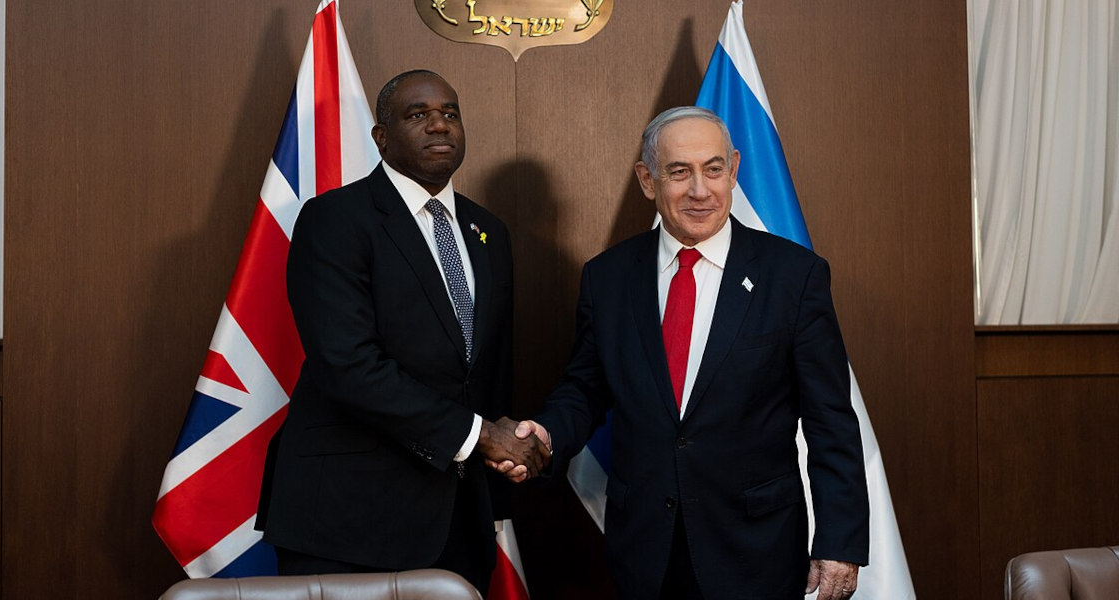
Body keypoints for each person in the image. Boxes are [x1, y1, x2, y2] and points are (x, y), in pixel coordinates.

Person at [496, 106, 869, 600]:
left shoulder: (794, 277)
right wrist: (546, 433)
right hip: (645, 549)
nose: (700, 190)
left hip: (756, 548)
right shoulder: (608, 277)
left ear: (734, 170)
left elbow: (831, 422)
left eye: (714, 169)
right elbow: (585, 388)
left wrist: (839, 542)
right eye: (679, 172)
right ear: (647, 180)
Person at [256, 70, 548, 595]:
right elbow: (348, 365)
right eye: (418, 115)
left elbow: (488, 372)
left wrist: (501, 473)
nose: (439, 125)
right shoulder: (334, 220)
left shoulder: (489, 232)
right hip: (347, 521)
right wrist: (481, 436)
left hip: (459, 521)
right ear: (381, 137)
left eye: (450, 113)